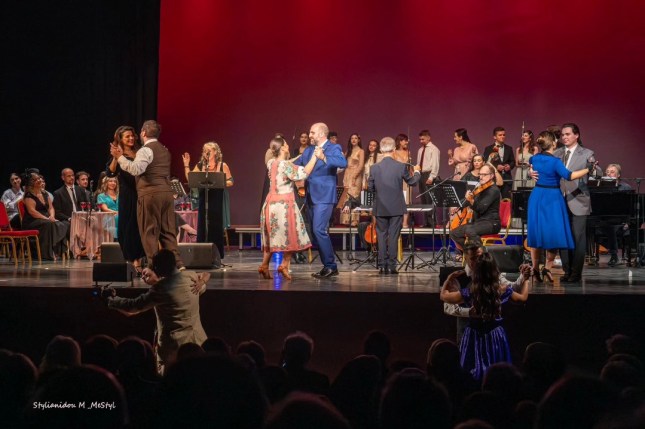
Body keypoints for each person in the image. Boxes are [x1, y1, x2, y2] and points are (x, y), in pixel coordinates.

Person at [106, 249, 210, 374]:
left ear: (158, 268)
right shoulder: (192, 278)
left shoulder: (161, 289)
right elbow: (201, 281)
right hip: (198, 343)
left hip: (174, 349)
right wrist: (203, 281)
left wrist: (111, 300)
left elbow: (133, 307)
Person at [440, 250, 530, 381]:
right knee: (497, 369)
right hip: (495, 335)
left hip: (474, 334)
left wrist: (448, 279)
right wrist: (526, 280)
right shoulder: (501, 290)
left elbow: (444, 296)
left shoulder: (470, 292)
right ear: (494, 270)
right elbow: (523, 298)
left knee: (471, 369)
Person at [110, 120, 184, 269]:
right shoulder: (164, 150)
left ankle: (154, 266)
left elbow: (136, 169)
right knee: (168, 231)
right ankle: (177, 264)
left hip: (150, 195)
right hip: (166, 194)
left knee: (149, 231)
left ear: (143, 133)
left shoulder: (145, 150)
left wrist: (120, 158)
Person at [527, 131, 592, 282]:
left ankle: (535, 269)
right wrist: (588, 169)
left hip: (537, 196)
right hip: (552, 198)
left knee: (537, 232)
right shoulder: (555, 161)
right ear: (553, 143)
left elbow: (532, 165)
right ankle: (547, 268)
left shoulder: (534, 158)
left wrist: (531, 171)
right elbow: (569, 176)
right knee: (554, 233)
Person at [293, 122, 348, 278]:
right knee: (314, 231)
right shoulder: (309, 150)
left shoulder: (333, 148)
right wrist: (279, 165)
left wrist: (324, 157)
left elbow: (343, 162)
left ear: (321, 134)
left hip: (324, 196)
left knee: (319, 230)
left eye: (312, 132)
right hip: (311, 196)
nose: (309, 135)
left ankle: (331, 266)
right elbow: (297, 165)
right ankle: (327, 266)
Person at [259, 136, 317, 280]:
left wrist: (295, 158)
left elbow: (284, 163)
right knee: (291, 234)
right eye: (285, 144)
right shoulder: (285, 166)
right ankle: (284, 264)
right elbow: (303, 173)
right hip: (284, 205)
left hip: (270, 204)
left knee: (272, 236)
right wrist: (315, 157)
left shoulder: (271, 162)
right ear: (283, 148)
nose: (288, 146)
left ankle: (264, 265)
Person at [368, 136, 420, 274]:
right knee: (393, 236)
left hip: (380, 207)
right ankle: (391, 266)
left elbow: (370, 188)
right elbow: (413, 182)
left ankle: (382, 265)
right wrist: (417, 171)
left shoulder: (374, 168)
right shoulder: (400, 166)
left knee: (381, 236)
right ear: (394, 149)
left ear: (381, 150)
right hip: (396, 207)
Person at [552, 123, 596, 283]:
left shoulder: (587, 153)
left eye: (568, 134)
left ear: (576, 135)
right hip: (560, 200)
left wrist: (594, 169)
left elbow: (595, 173)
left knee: (578, 237)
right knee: (563, 236)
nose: (564, 137)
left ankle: (576, 273)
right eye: (562, 135)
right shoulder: (556, 154)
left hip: (578, 200)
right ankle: (567, 271)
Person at [182, 141, 233, 259]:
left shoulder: (222, 165)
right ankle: (201, 255)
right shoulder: (200, 166)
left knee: (215, 225)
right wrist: (186, 165)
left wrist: (219, 182)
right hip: (203, 198)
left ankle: (217, 255)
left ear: (215, 152)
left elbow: (231, 181)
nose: (206, 153)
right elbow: (190, 179)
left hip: (216, 199)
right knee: (203, 225)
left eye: (209, 151)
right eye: (204, 151)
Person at [107, 125, 146, 272]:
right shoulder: (119, 154)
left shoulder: (140, 151)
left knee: (140, 227)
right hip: (128, 196)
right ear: (120, 139)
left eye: (132, 135)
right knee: (128, 228)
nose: (130, 138)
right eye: (127, 136)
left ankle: (140, 259)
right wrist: (116, 157)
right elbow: (110, 173)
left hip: (142, 193)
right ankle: (132, 260)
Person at [450, 164, 501, 253]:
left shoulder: (493, 190)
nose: (481, 177)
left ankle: (481, 256)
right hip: (479, 222)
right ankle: (470, 253)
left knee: (470, 230)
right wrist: (458, 206)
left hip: (491, 223)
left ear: (492, 176)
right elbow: (469, 201)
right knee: (454, 233)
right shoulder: (480, 188)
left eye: (484, 175)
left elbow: (481, 208)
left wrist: (471, 201)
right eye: (480, 174)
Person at [21, 172, 69, 260]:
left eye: (39, 178)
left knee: (64, 224)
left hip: (46, 219)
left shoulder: (44, 194)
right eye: (36, 179)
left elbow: (51, 208)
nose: (39, 180)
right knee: (49, 224)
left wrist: (52, 216)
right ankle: (46, 253)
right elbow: (32, 212)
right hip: (32, 221)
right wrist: (47, 218)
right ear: (31, 183)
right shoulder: (29, 196)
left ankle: (56, 250)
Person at [601, 163, 633, 266]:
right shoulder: (601, 188)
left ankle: (630, 254)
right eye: (607, 172)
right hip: (605, 221)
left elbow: (631, 208)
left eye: (612, 172)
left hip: (622, 221)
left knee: (629, 229)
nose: (609, 174)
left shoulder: (626, 187)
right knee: (610, 226)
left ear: (618, 175)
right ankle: (614, 256)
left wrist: (628, 222)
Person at [337, 133, 365, 226]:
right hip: (347, 174)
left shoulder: (361, 151)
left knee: (354, 196)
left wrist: (354, 176)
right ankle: (345, 220)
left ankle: (354, 220)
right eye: (352, 138)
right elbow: (343, 163)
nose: (353, 140)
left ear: (358, 140)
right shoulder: (348, 151)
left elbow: (361, 166)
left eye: (355, 138)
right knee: (346, 196)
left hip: (356, 176)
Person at [416, 130, 441, 227]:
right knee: (424, 199)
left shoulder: (434, 149)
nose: (421, 141)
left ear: (428, 138)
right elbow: (418, 163)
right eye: (420, 139)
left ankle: (432, 222)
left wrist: (432, 177)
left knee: (429, 199)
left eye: (423, 139)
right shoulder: (420, 150)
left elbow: (435, 164)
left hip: (429, 174)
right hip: (421, 174)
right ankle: (426, 222)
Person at [482, 127, 515, 198]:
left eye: (504, 135)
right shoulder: (488, 149)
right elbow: (486, 163)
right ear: (494, 137)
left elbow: (513, 162)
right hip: (494, 179)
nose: (502, 136)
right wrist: (496, 167)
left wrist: (509, 166)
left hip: (506, 179)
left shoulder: (509, 148)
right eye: (500, 135)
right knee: (493, 199)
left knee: (507, 200)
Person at [393, 133, 414, 227]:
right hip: (396, 179)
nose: (407, 142)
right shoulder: (393, 152)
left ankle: (405, 222)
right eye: (405, 140)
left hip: (407, 179)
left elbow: (410, 166)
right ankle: (395, 222)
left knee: (406, 201)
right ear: (400, 141)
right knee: (396, 200)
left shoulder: (408, 152)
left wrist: (413, 175)